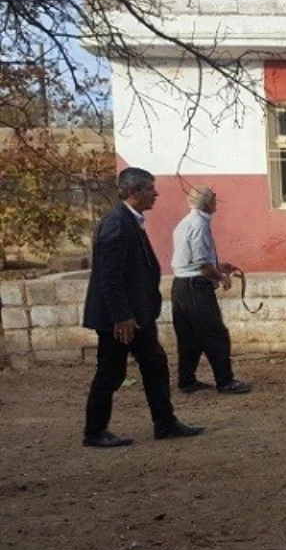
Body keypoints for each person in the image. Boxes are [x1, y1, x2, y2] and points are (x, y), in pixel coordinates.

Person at [81, 167, 205, 447]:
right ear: (134, 192)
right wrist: (121, 316)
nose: (156, 193)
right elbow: (109, 277)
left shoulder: (129, 220)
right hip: (121, 319)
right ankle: (94, 431)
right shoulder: (117, 223)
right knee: (111, 372)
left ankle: (165, 424)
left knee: (155, 365)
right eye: (150, 188)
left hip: (137, 317)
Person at [170, 185, 251, 395]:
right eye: (214, 198)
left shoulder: (185, 223)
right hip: (196, 286)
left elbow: (191, 259)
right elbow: (202, 265)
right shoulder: (199, 224)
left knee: (189, 337)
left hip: (180, 285)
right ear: (208, 202)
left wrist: (219, 266)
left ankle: (187, 381)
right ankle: (225, 381)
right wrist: (221, 277)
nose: (216, 202)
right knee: (216, 334)